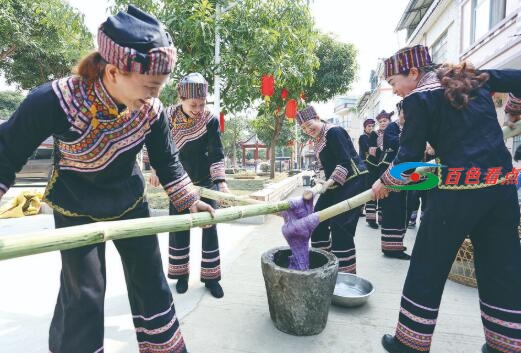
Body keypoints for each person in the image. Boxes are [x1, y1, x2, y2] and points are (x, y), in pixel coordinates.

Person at [0, 6, 214, 353]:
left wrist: (190, 198)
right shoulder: (54, 100)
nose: (154, 96)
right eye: (149, 86)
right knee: (84, 290)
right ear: (113, 72)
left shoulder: (152, 110)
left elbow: (167, 161)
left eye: (159, 87)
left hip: (129, 199)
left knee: (151, 281)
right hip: (74, 203)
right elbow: (5, 151)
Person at [372, 44, 521, 353]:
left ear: (413, 73)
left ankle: (410, 344)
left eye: (394, 82)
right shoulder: (474, 77)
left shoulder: (419, 98)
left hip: (457, 193)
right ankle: (505, 344)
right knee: (502, 265)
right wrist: (513, 111)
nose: (394, 91)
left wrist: (384, 182)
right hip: (501, 187)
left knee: (428, 264)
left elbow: (408, 157)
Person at [149, 73, 228, 298]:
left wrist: (220, 183)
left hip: (205, 182)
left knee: (209, 227)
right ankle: (181, 275)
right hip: (179, 183)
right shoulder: (166, 116)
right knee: (180, 228)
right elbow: (155, 145)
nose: (198, 109)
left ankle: (212, 279)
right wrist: (154, 169)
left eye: (202, 104)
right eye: (193, 104)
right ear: (180, 99)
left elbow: (216, 153)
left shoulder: (210, 120)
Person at [297, 106, 368, 273]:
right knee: (317, 220)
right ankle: (322, 266)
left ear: (318, 117)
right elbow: (328, 166)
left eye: (309, 124)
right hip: (336, 184)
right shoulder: (319, 139)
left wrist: (326, 184)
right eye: (304, 128)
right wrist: (323, 182)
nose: (308, 130)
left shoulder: (334, 132)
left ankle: (345, 276)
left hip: (354, 180)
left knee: (340, 226)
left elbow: (344, 162)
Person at [378, 101, 411, 260]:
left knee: (406, 207)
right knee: (393, 209)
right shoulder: (393, 127)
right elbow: (391, 144)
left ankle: (397, 245)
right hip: (393, 172)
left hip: (409, 174)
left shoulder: (412, 126)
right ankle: (391, 248)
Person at [358, 118, 379, 228]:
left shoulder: (375, 136)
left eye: (372, 126)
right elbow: (368, 150)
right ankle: (371, 219)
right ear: (365, 128)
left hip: (376, 167)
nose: (371, 128)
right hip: (366, 166)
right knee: (369, 190)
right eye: (369, 126)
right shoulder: (363, 137)